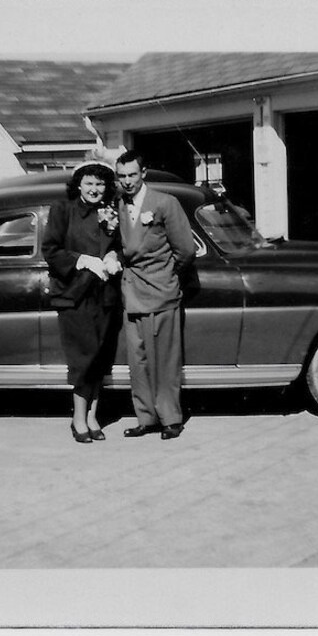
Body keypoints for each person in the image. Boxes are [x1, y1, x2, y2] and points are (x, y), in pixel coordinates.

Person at [115, 150, 196, 440]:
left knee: (164, 360)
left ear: (143, 173)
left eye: (132, 175)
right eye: (121, 176)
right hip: (132, 292)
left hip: (161, 291)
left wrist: (165, 274)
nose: (127, 181)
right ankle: (145, 417)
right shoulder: (118, 204)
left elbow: (185, 250)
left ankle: (170, 418)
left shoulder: (164, 202)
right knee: (137, 361)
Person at [42, 161, 123, 444]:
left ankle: (92, 416)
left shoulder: (111, 211)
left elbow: (118, 245)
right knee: (83, 358)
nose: (94, 189)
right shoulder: (62, 209)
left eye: (100, 184)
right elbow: (51, 250)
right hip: (74, 295)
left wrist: (113, 257)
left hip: (105, 294)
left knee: (100, 356)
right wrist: (83, 260)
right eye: (89, 183)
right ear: (79, 185)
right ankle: (78, 418)